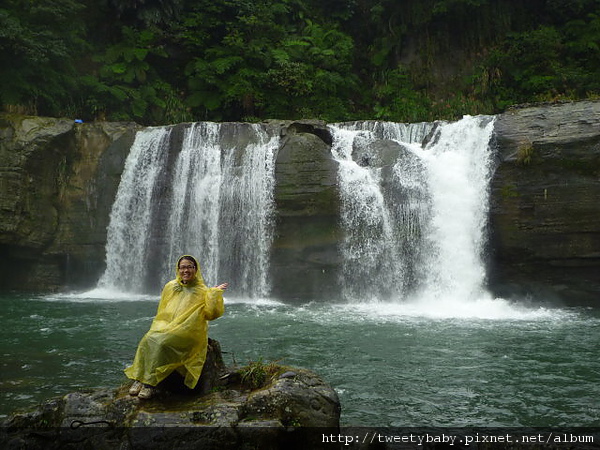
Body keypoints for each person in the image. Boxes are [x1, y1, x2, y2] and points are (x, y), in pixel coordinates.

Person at [124, 255, 228, 399]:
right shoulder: (171, 286)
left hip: (189, 331)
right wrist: (161, 326)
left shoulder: (203, 290)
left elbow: (211, 314)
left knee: (162, 343)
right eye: (183, 267)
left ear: (195, 269)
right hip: (168, 326)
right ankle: (139, 379)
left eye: (189, 267)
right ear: (178, 269)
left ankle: (150, 384)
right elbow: (162, 310)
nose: (186, 270)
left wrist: (214, 293)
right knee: (148, 339)